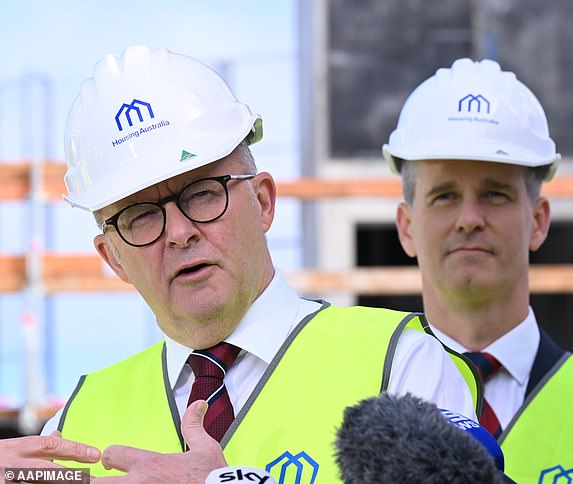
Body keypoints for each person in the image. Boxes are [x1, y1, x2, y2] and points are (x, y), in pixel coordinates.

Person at [24, 45, 480, 482]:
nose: (180, 232)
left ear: (262, 201)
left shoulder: (400, 364)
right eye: (141, 217)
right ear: (113, 258)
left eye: (202, 193)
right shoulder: (74, 426)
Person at [384, 57, 573, 482]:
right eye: (444, 195)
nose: (469, 218)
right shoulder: (361, 397)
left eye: (495, 194)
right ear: (406, 228)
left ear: (538, 221)